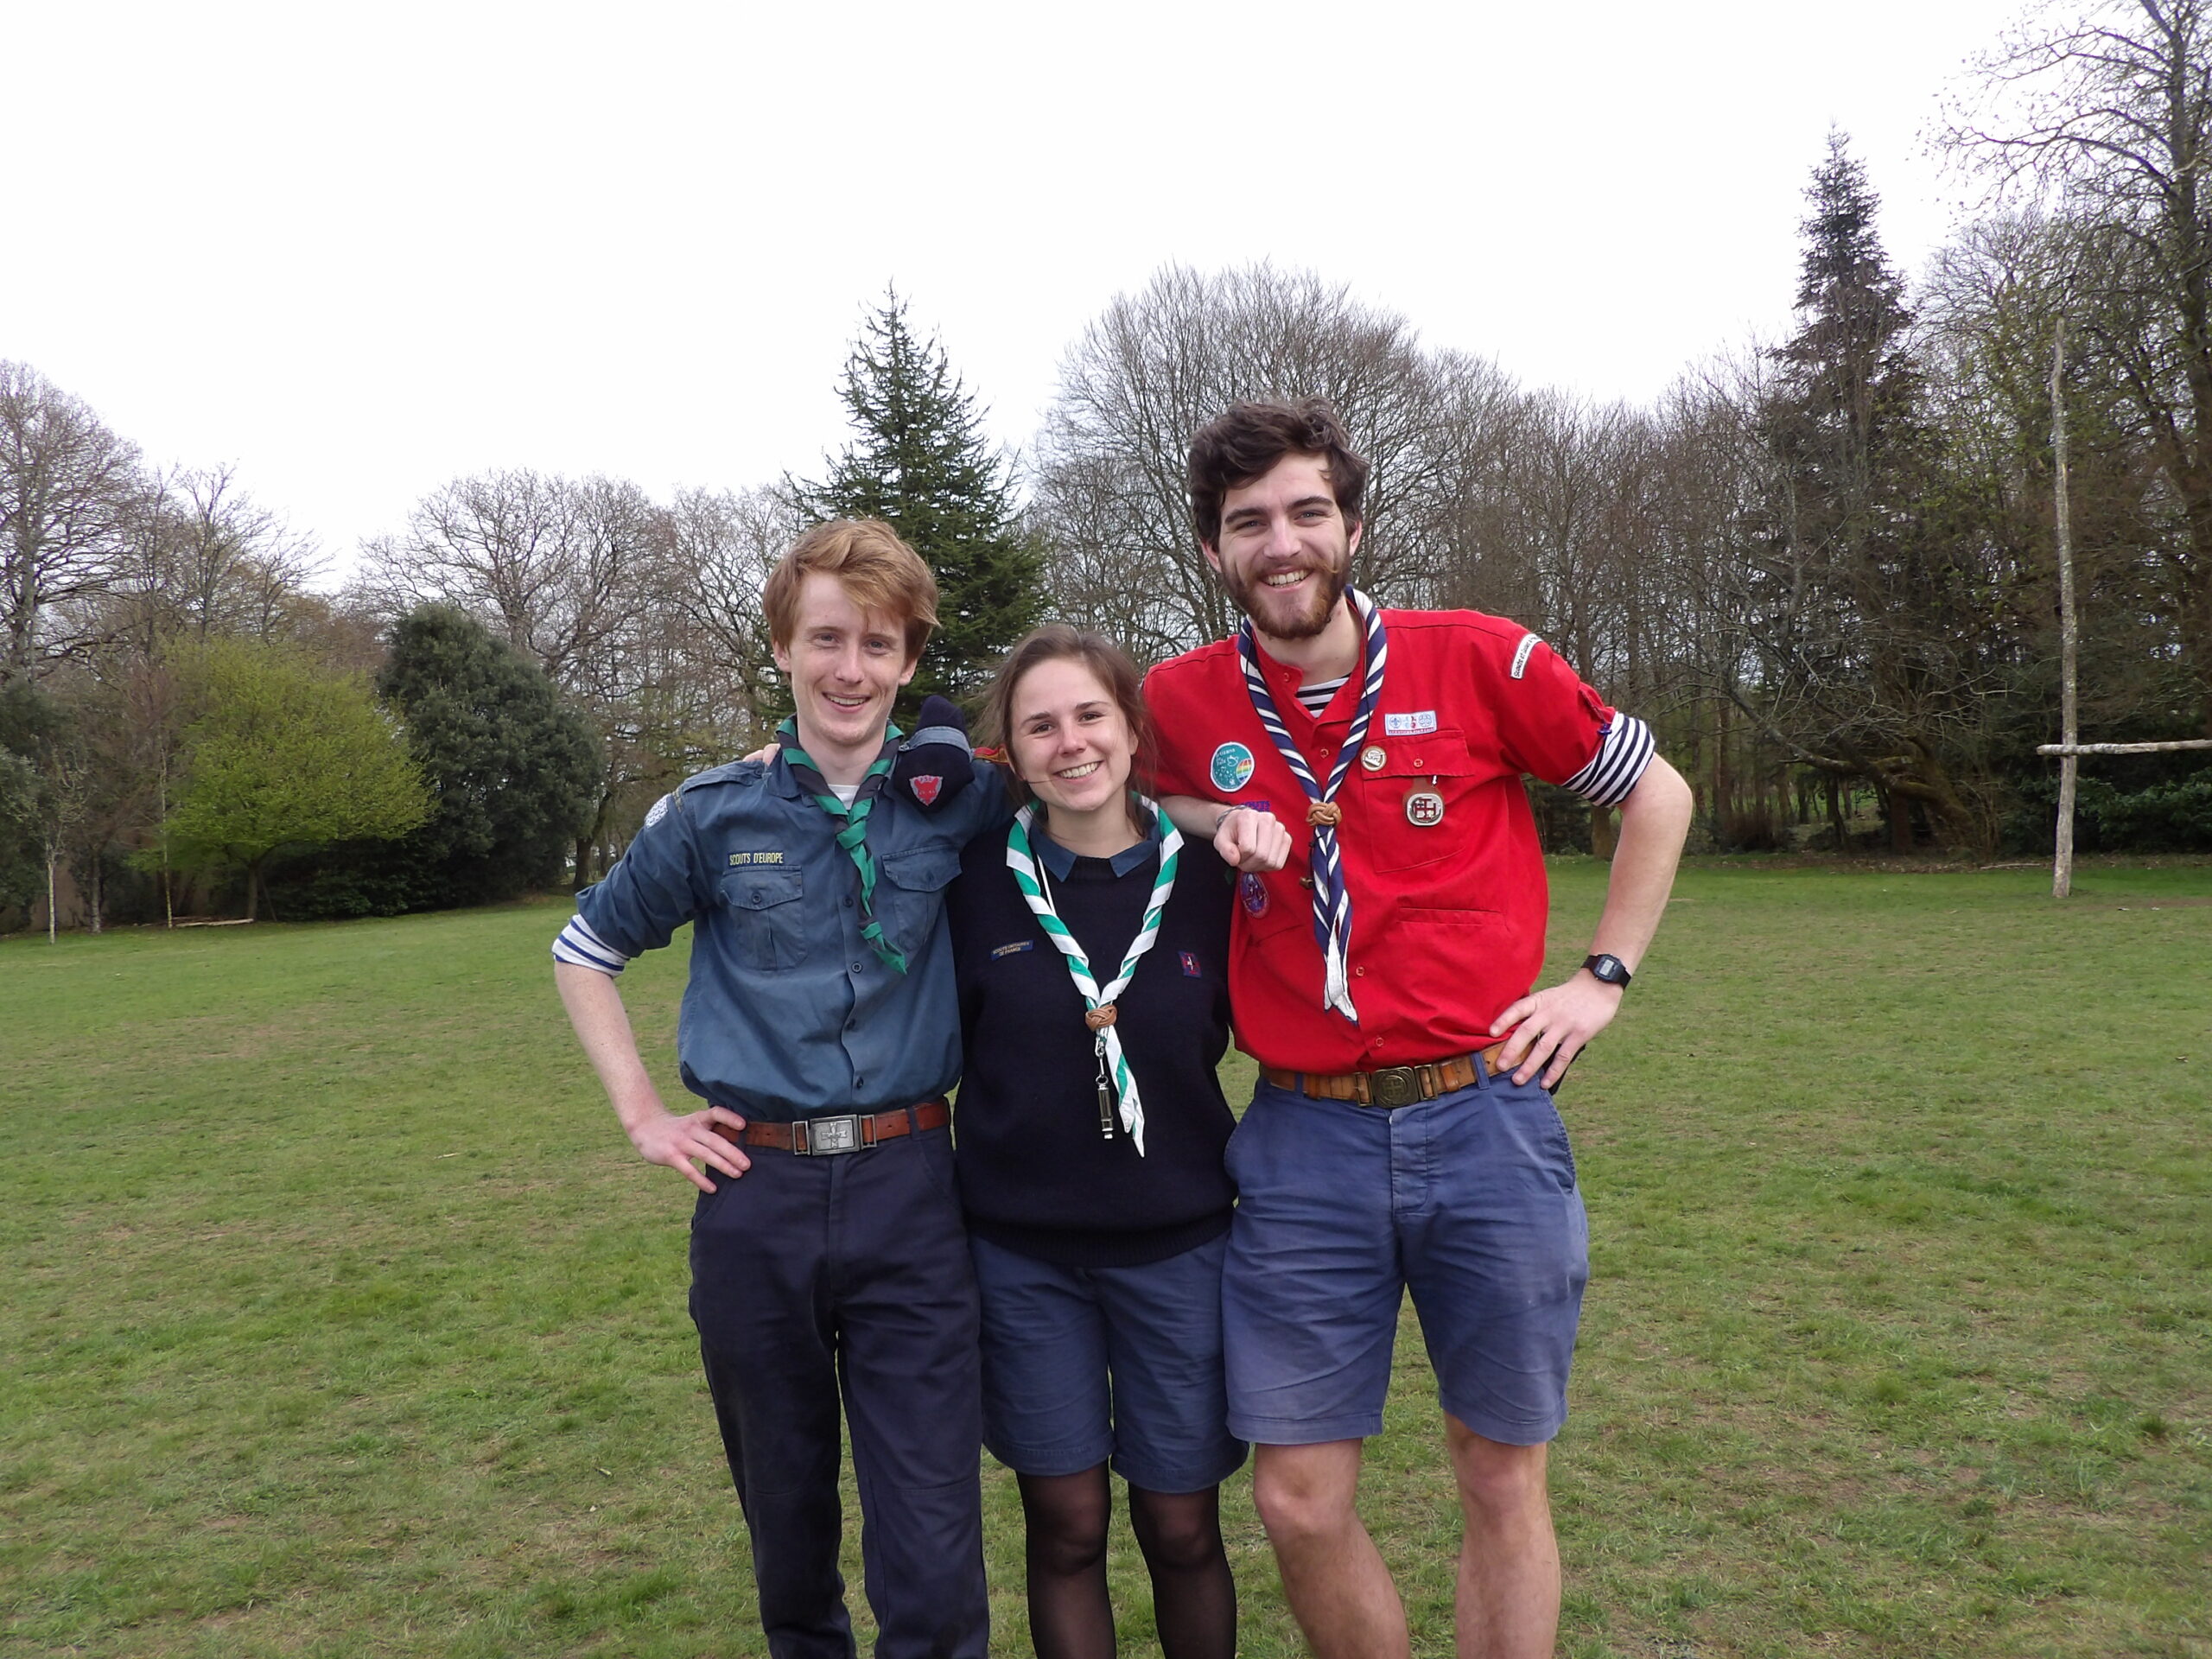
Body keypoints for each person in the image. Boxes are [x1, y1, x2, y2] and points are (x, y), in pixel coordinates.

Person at [1144, 399, 1695, 1659]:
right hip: (1299, 1134)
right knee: (1294, 1500)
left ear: (1349, 521)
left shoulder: (1481, 658)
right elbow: (1077, 774)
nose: (1280, 544)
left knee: (1499, 1475)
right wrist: (1195, 815)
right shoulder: (1181, 698)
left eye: (1304, 512)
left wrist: (1602, 975)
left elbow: (1656, 791)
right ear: (1214, 550)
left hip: (1487, 1113)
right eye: (1247, 524)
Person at [550, 518, 1004, 1659]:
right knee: (787, 1529)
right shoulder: (714, 813)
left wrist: (1234, 818)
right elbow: (583, 951)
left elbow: (1104, 797)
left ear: (909, 662)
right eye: (826, 639)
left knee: (935, 1548)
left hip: (914, 1188)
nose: (850, 669)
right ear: (784, 649)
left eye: (880, 645)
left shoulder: (957, 798)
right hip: (755, 1193)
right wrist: (642, 1115)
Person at [944, 626, 1244, 1659]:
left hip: (1181, 1250)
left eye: (1088, 716)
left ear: (1129, 728)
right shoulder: (969, 876)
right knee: (1065, 1526)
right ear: (1012, 752)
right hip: (1024, 1258)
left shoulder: (1207, 874)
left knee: (1180, 1525)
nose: (1069, 743)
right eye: (1040, 725)